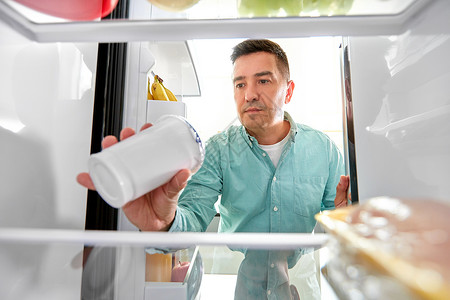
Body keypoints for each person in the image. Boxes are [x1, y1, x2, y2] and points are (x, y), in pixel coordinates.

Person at [77, 39, 350, 298]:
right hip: (236, 281)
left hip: (302, 283)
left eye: (263, 81)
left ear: (288, 91)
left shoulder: (323, 149)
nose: (250, 94)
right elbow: (191, 218)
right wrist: (162, 224)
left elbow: (336, 228)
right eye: (240, 84)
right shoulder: (218, 150)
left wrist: (346, 221)